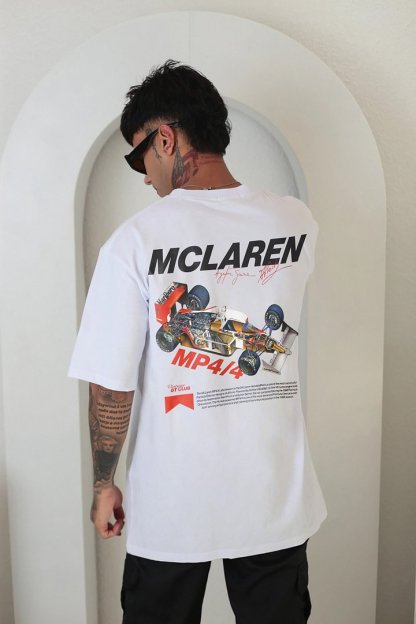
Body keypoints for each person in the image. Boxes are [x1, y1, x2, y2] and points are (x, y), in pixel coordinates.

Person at [69, 59, 327, 624]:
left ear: (165, 139)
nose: (144, 175)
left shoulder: (133, 243)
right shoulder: (295, 221)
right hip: (273, 495)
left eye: (139, 157)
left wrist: (103, 485)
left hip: (171, 502)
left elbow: (111, 386)